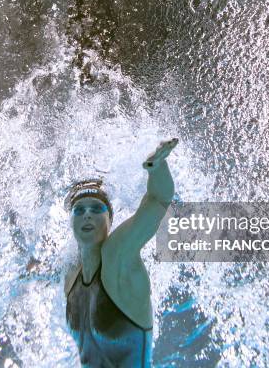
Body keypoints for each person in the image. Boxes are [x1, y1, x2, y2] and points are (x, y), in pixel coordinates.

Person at [64, 138, 178, 367]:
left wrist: (157, 168)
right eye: (80, 210)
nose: (87, 214)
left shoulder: (119, 260)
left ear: (110, 220)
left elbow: (159, 200)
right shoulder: (70, 274)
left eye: (97, 209)